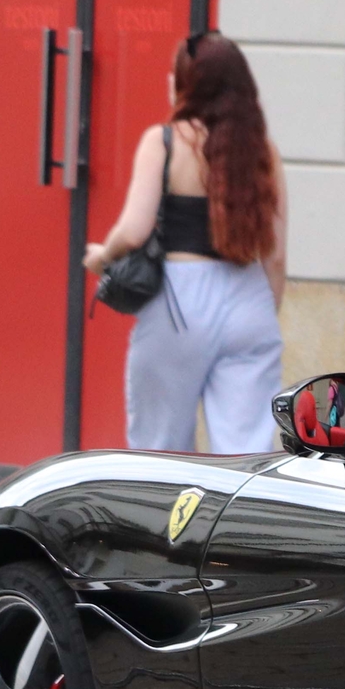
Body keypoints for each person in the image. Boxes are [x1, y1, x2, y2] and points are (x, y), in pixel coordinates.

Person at [84, 31, 287, 454]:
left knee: (159, 451)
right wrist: (265, 310)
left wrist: (103, 256)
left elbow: (135, 229)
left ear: (185, 84)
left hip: (179, 302)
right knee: (246, 455)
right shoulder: (263, 151)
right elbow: (277, 256)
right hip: (249, 299)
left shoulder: (164, 141)